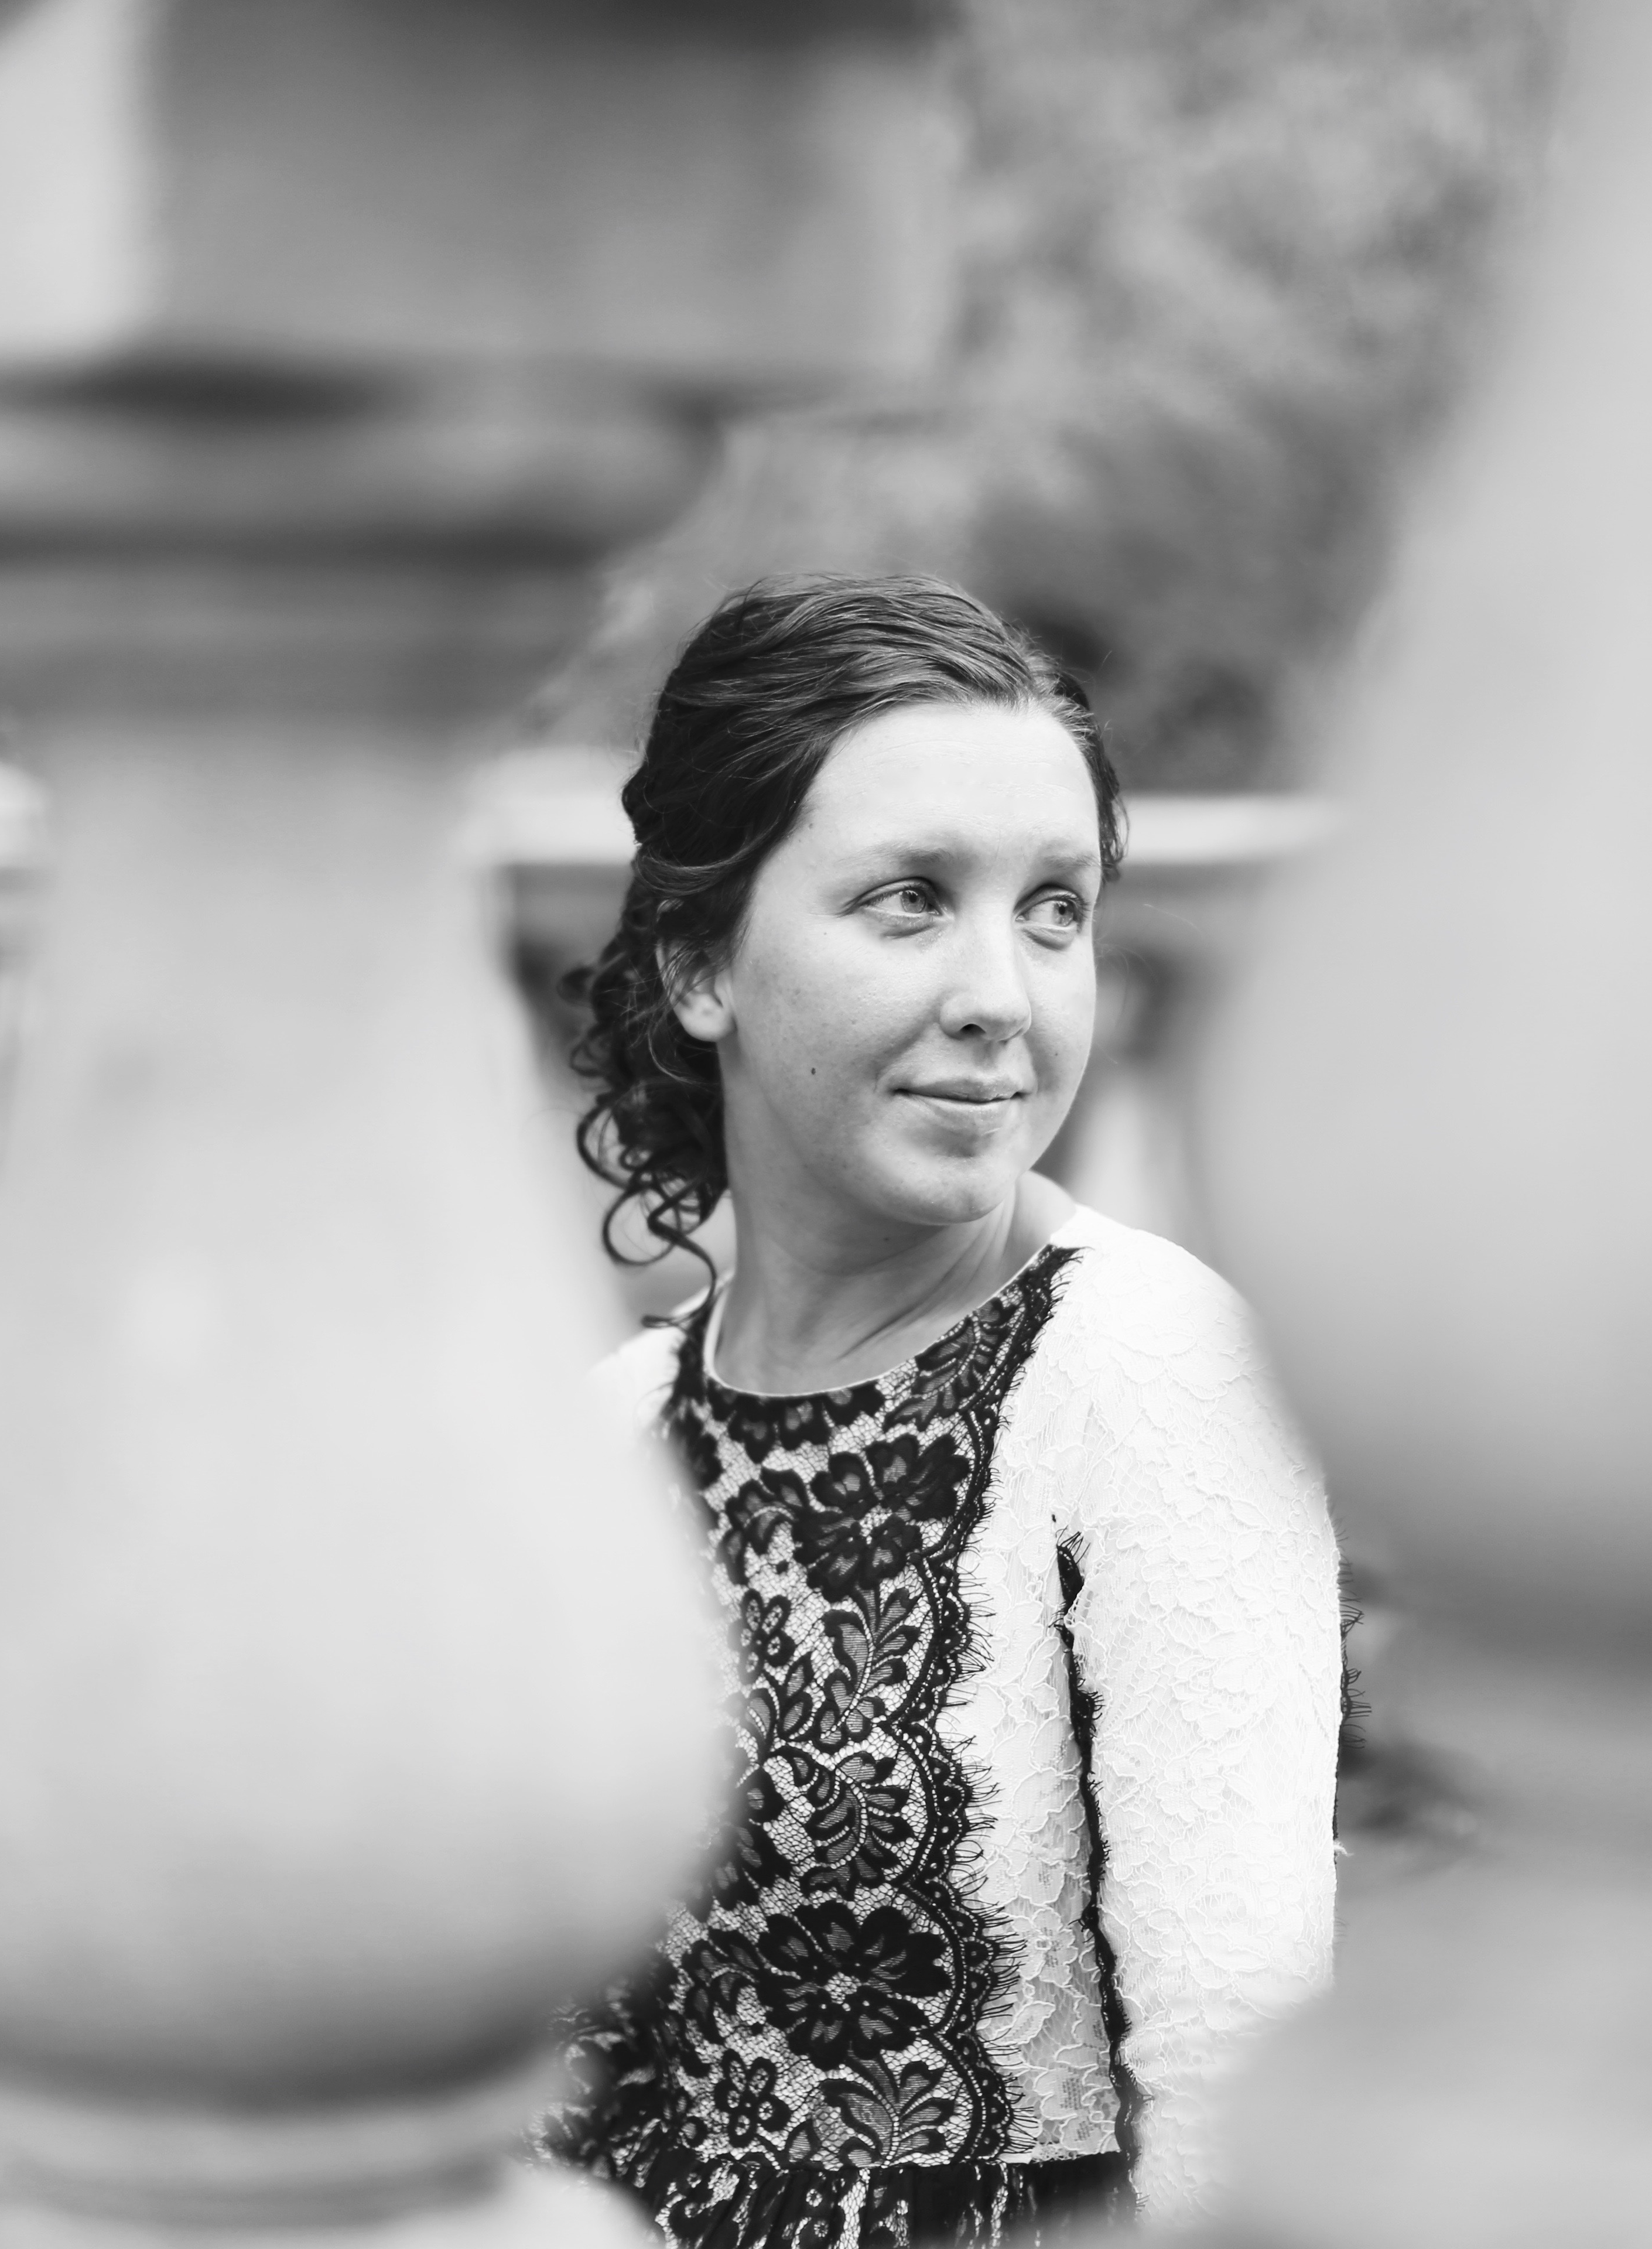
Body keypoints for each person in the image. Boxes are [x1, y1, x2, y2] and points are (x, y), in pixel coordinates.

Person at [543, 575, 1342, 2249]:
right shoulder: (608, 1432)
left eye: (1055, 910)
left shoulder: (1144, 1370)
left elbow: (1236, 2066)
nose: (1006, 994)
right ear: (700, 961)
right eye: (911, 900)